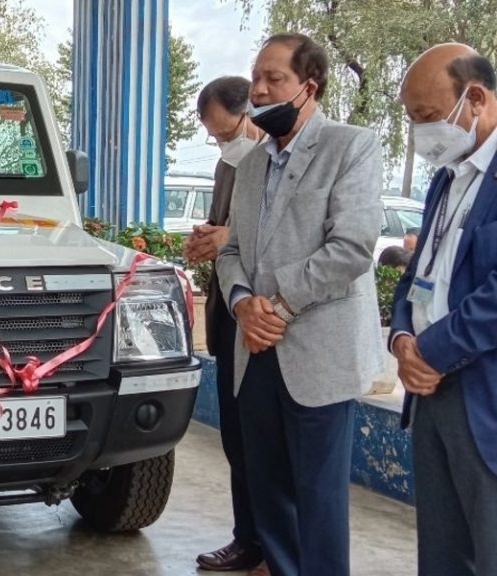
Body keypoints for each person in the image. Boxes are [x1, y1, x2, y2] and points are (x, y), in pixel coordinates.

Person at [216, 33, 383, 576]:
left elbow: (352, 246)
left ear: (308, 87)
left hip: (315, 350)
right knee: (267, 489)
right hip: (256, 347)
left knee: (317, 494)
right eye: (256, 77)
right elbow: (233, 250)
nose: (259, 90)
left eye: (274, 79)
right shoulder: (251, 163)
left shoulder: (351, 146)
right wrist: (243, 304)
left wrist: (277, 307)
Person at [392, 43, 497, 575]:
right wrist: (402, 337)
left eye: (428, 117)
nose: (419, 133)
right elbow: (417, 273)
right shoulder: (447, 177)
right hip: (428, 392)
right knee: (441, 551)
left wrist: (430, 350)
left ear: (474, 98)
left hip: (484, 399)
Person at [185, 75, 269, 576]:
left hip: (267, 322)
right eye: (215, 137)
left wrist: (228, 238)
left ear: (250, 114)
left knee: (265, 445)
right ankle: (247, 540)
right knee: (236, 441)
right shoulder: (226, 167)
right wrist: (205, 242)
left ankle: (271, 546)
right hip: (228, 319)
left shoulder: (282, 164)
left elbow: (285, 235)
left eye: (226, 133)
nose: (223, 144)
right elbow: (223, 234)